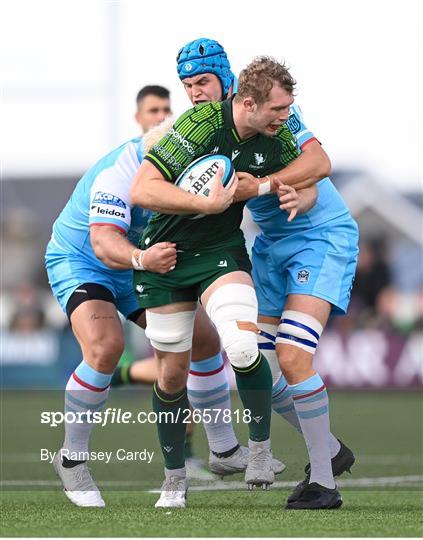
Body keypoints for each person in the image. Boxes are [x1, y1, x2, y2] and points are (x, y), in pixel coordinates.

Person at [45, 85, 261, 508]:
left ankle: (221, 448)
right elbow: (105, 244)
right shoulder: (117, 176)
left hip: (142, 260)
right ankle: (72, 459)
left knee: (204, 341)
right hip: (86, 261)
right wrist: (143, 259)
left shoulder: (184, 162)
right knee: (107, 348)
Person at [130, 58, 321, 508]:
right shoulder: (198, 124)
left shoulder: (274, 134)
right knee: (172, 376)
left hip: (221, 252)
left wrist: (301, 193)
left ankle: (258, 451)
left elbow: (317, 168)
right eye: (278, 108)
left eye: (288, 108)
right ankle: (174, 478)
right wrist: (205, 202)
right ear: (249, 103)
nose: (285, 116)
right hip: (166, 257)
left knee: (241, 345)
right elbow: (143, 189)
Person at [176, 39, 358, 510]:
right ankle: (331, 450)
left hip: (320, 240)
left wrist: (276, 188)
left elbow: (317, 168)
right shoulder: (199, 131)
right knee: (256, 363)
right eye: (188, 85)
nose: (196, 92)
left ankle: (323, 483)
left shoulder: (274, 116)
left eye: (204, 82)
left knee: (295, 356)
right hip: (269, 247)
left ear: (230, 84)